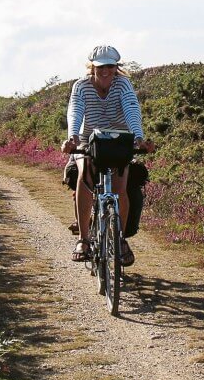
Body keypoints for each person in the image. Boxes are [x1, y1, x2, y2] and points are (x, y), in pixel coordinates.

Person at [61, 45, 153, 263]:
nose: (105, 71)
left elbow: (131, 109)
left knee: (121, 187)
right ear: (92, 67)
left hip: (118, 140)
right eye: (101, 67)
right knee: (84, 176)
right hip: (88, 140)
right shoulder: (81, 86)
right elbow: (75, 111)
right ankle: (84, 239)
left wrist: (138, 138)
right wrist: (72, 137)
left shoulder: (123, 84)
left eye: (110, 66)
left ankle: (120, 238)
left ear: (116, 67)